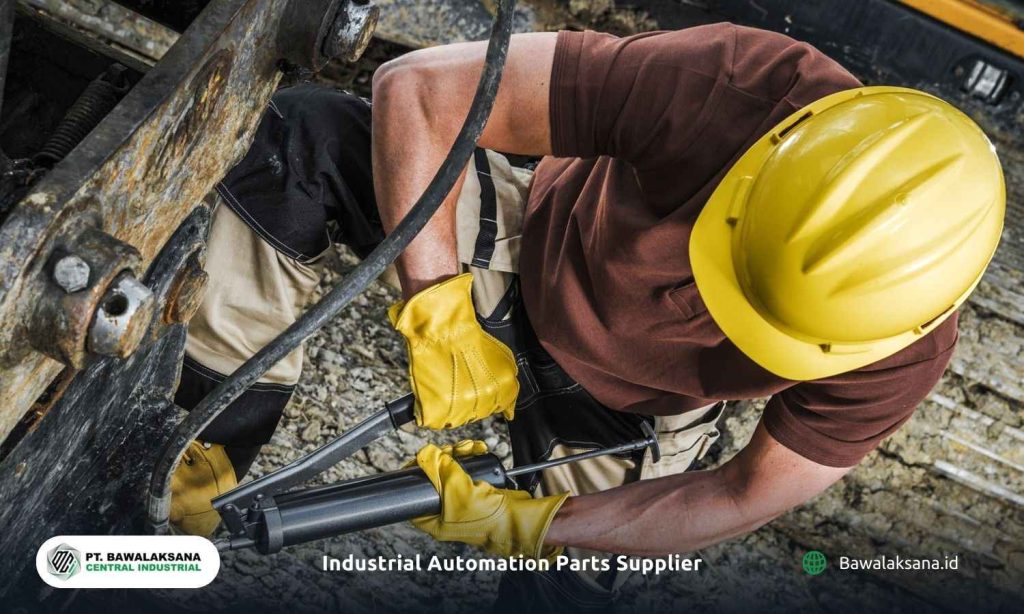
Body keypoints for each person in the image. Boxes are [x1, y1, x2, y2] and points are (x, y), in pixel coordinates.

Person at [169, 23, 1005, 609]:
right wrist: (437, 307)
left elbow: (738, 493)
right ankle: (178, 469)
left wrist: (532, 524)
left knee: (569, 588)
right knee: (300, 144)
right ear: (762, 172)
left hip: (636, 414)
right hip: (531, 253)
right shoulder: (736, 87)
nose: (713, 308)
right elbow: (420, 89)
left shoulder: (899, 353)